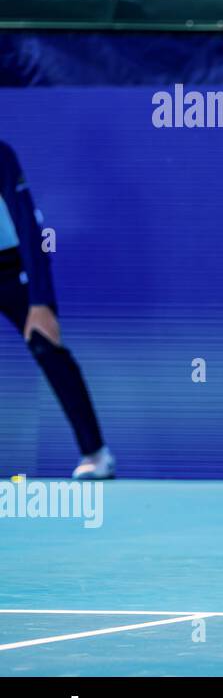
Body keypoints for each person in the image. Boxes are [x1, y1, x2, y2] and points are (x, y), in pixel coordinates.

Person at [0, 141, 112, 480]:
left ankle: (96, 453)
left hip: (11, 266)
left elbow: (27, 224)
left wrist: (40, 301)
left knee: (45, 342)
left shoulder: (0, 154)